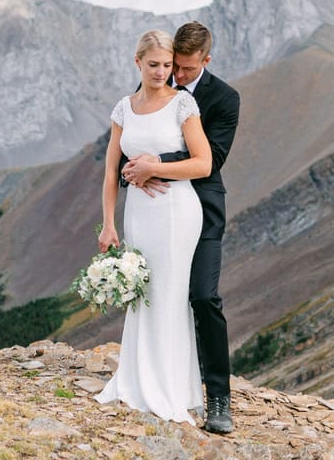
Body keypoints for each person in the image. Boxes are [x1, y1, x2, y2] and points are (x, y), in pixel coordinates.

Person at [122, 21, 241, 433]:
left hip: (202, 208)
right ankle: (160, 383)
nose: (176, 76)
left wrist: (151, 164)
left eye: (186, 69)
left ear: (205, 61)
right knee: (158, 294)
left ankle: (219, 398)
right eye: (174, 67)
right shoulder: (156, 84)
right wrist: (133, 170)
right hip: (153, 208)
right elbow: (130, 138)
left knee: (203, 297)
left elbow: (214, 159)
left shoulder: (224, 99)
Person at [96, 30, 214, 424]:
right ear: (137, 62)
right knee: (142, 292)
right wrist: (108, 224)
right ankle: (137, 378)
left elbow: (203, 164)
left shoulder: (183, 103)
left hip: (177, 210)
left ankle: (171, 389)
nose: (162, 72)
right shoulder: (124, 108)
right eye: (154, 65)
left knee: (168, 292)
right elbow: (112, 170)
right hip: (138, 214)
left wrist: (152, 168)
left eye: (167, 65)